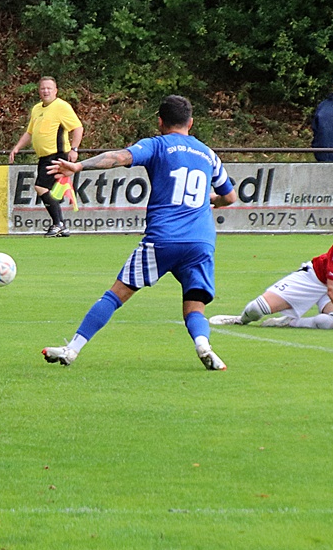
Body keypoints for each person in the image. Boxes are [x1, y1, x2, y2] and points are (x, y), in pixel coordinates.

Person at [41, 95, 236, 371]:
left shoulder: (157, 145)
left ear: (160, 122)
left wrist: (79, 166)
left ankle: (72, 349)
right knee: (194, 306)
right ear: (191, 123)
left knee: (116, 294)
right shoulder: (208, 154)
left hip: (163, 239)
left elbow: (118, 157)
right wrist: (211, 199)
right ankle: (203, 345)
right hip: (201, 241)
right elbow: (230, 197)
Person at [9, 76, 84, 237]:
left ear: (56, 90)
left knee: (41, 187)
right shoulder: (37, 109)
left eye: (49, 88)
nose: (46, 91)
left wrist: (74, 149)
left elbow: (78, 127)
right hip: (44, 157)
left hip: (57, 155)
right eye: (43, 88)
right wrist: (17, 147)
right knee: (45, 188)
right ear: (39, 91)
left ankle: (58, 224)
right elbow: (30, 132)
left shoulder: (61, 106)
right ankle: (60, 225)